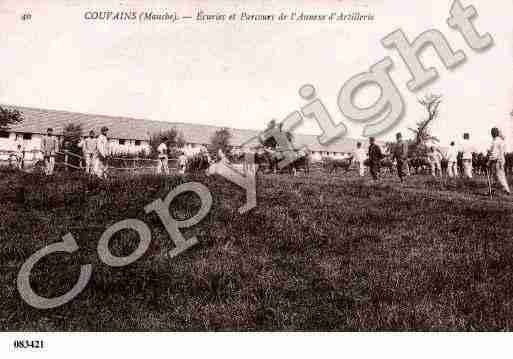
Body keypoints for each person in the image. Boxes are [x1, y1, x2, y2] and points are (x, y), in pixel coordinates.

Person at [488, 127, 510, 194]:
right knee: (496, 176)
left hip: (497, 161)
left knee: (499, 176)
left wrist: (489, 161)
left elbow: (494, 154)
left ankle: (506, 190)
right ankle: (493, 190)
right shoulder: (500, 141)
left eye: (492, 132)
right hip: (500, 160)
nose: (491, 134)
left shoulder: (495, 142)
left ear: (494, 133)